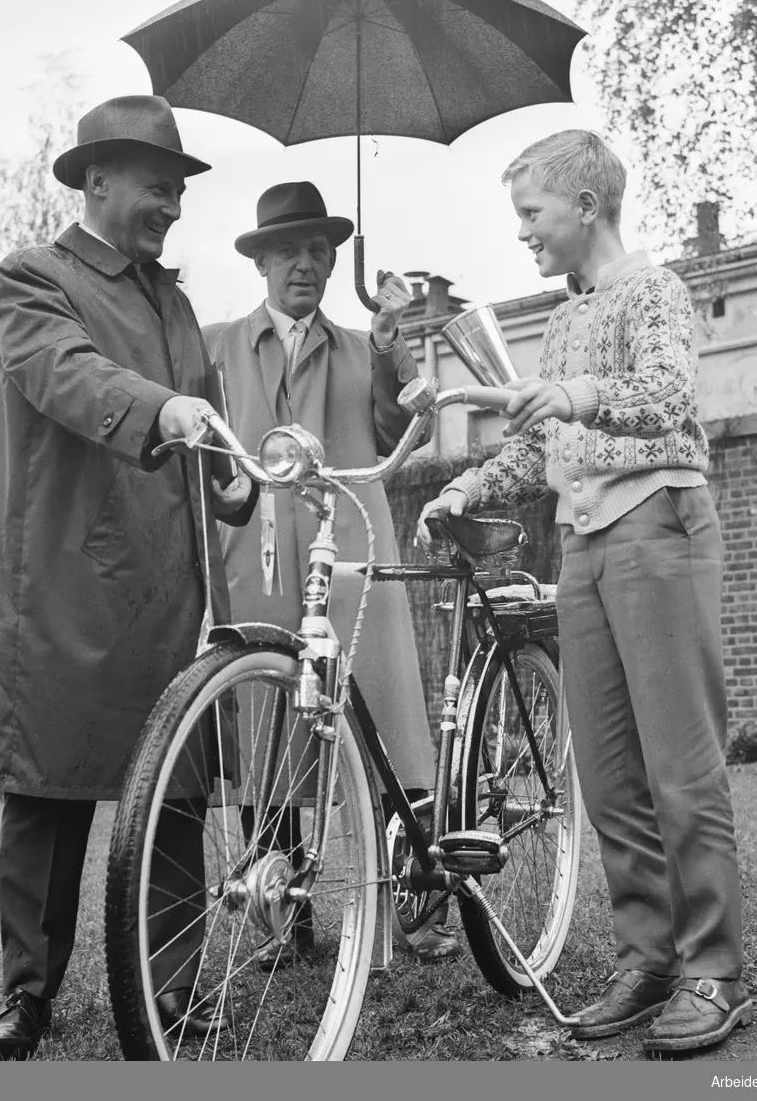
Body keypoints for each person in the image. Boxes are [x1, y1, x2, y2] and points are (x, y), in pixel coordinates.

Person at [417, 131, 749, 1054]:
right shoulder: (561, 319)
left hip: (657, 526)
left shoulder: (655, 291)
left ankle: (713, 971)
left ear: (587, 207)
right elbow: (540, 441)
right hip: (584, 544)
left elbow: (668, 397)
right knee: (604, 775)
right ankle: (647, 960)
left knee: (680, 767)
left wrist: (572, 393)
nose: (522, 232)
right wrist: (466, 489)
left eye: (532, 213)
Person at [0, 95, 256, 1058]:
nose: (172, 203)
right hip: (64, 586)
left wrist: (234, 480)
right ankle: (27, 992)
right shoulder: (30, 280)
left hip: (168, 594)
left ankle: (170, 983)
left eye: (178, 189)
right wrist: (165, 411)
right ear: (97, 180)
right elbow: (65, 372)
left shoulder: (175, 303)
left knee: (173, 792)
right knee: (49, 796)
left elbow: (209, 424)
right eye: (156, 185)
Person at [204, 180, 460, 966]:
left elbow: (402, 427)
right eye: (289, 252)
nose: (305, 266)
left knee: (386, 722)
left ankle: (417, 904)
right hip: (257, 560)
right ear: (261, 262)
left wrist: (393, 341)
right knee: (271, 730)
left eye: (320, 251)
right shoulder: (214, 345)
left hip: (352, 554)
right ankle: (283, 911)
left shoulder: (362, 347)